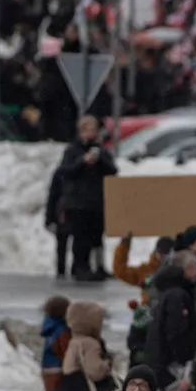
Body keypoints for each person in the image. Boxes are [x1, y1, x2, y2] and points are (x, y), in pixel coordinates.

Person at [59, 115, 117, 280]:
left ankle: (98, 266)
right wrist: (82, 162)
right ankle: (80, 266)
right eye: (88, 130)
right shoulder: (73, 151)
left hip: (96, 201)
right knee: (81, 237)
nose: (91, 134)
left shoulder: (101, 150)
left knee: (96, 236)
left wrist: (99, 160)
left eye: (94, 130)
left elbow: (112, 170)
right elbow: (66, 172)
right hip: (78, 203)